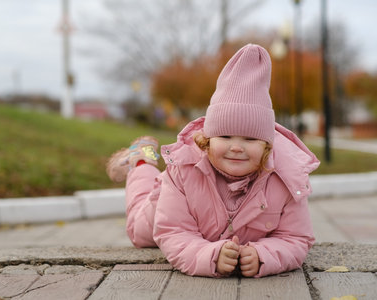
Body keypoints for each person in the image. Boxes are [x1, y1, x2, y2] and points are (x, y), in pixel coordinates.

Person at [106, 44, 320, 278]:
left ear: (267, 145)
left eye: (250, 139)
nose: (236, 147)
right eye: (225, 136)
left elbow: (295, 238)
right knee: (139, 231)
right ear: (207, 140)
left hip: (208, 231)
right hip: (164, 206)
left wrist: (264, 255)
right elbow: (173, 232)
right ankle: (141, 158)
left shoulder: (287, 179)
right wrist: (210, 255)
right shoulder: (182, 173)